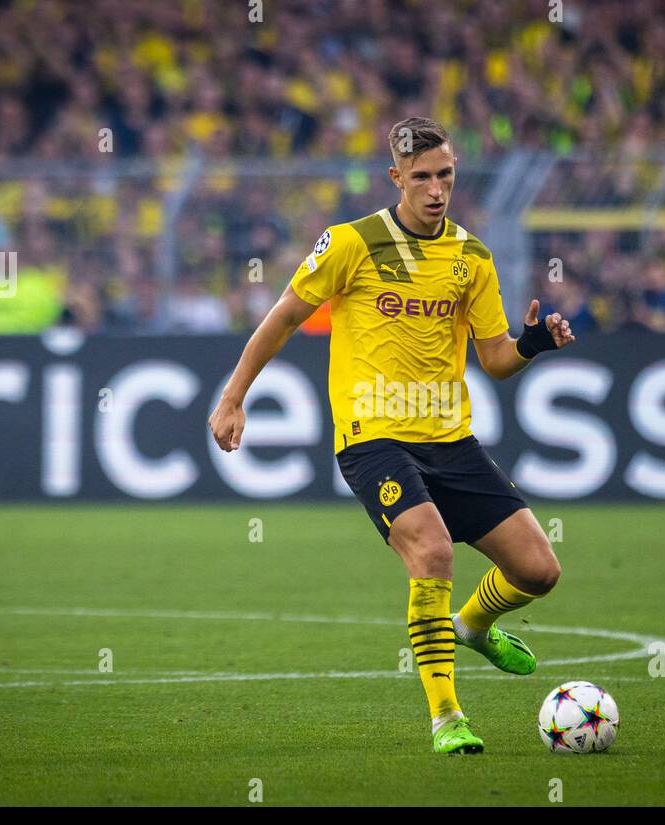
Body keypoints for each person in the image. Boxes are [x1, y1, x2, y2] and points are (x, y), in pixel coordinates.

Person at [208, 117, 574, 754]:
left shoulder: (471, 258)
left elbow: (494, 359)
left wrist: (533, 345)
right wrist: (234, 396)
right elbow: (285, 316)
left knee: (540, 571)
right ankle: (446, 717)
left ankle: (475, 624)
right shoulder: (351, 243)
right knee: (432, 552)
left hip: (450, 440)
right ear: (396, 177)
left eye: (446, 176)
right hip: (372, 437)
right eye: (423, 177)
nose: (436, 189)